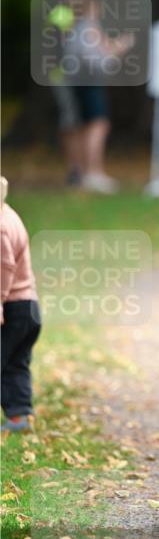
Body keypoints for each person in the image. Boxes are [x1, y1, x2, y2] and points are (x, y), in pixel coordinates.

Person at [49, 0, 135, 194]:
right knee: (97, 123)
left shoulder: (75, 22)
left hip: (70, 77)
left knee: (79, 124)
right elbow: (95, 57)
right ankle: (92, 173)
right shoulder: (81, 23)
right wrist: (118, 50)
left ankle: (81, 172)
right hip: (80, 78)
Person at [1, 177, 41, 433]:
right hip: (29, 306)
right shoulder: (9, 214)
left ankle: (19, 418)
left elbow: (3, 268)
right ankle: (20, 417)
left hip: (12, 307)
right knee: (16, 362)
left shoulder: (1, 227)